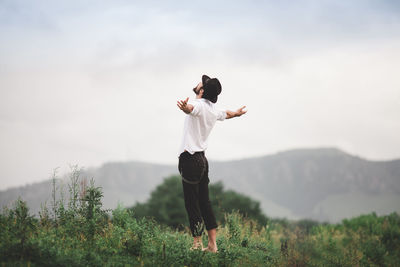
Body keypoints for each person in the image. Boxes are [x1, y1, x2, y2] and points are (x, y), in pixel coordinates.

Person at [176, 74, 247, 253]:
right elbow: (227, 114)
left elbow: (191, 109)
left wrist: (185, 107)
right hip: (202, 161)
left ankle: (197, 244)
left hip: (190, 159)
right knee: (204, 202)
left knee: (192, 203)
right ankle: (212, 245)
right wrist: (237, 114)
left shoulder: (198, 105)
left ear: (201, 91)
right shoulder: (213, 109)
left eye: (202, 84)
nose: (199, 83)